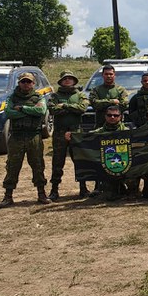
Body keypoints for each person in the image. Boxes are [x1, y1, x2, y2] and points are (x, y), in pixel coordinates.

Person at [0, 72, 50, 208]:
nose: (26, 84)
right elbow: (9, 113)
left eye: (29, 82)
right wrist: (30, 111)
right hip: (17, 136)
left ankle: (41, 193)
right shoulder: (12, 98)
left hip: (34, 136)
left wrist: (22, 108)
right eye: (23, 82)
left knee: (38, 165)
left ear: (33, 83)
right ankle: (8, 196)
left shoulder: (39, 97)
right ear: (19, 83)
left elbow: (41, 111)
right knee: (12, 166)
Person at [48, 71, 89, 201]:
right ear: (61, 81)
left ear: (74, 81)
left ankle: (83, 188)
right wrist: (72, 109)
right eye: (65, 79)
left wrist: (65, 105)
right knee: (58, 161)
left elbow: (82, 108)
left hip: (76, 132)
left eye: (70, 78)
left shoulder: (80, 95)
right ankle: (54, 190)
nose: (67, 80)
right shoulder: (55, 95)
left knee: (80, 160)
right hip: (60, 132)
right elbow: (52, 110)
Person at [88, 105, 129, 200]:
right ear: (105, 116)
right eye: (109, 115)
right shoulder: (99, 132)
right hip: (108, 170)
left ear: (121, 116)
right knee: (109, 196)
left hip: (126, 169)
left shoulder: (128, 132)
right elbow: (85, 137)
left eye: (115, 115)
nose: (112, 117)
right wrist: (72, 136)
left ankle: (130, 190)